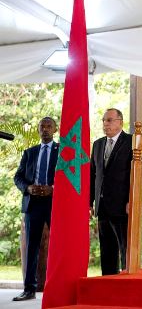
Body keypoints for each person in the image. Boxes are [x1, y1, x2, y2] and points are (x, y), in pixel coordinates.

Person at [13, 117, 59, 301]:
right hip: (33, 204)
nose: (45, 129)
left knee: (58, 245)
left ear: (55, 129)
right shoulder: (29, 152)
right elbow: (18, 177)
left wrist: (53, 189)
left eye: (49, 126)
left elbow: (69, 178)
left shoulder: (63, 152)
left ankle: (57, 287)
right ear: (38, 130)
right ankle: (29, 289)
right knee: (32, 246)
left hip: (54, 204)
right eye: (42, 126)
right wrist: (28, 188)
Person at [90, 108, 133, 275]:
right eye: (103, 121)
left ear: (120, 122)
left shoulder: (132, 142)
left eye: (109, 120)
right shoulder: (98, 144)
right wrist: (89, 202)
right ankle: (107, 282)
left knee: (125, 248)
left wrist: (132, 200)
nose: (105, 124)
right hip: (102, 207)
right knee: (106, 249)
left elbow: (138, 174)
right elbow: (93, 174)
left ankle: (126, 283)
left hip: (123, 206)